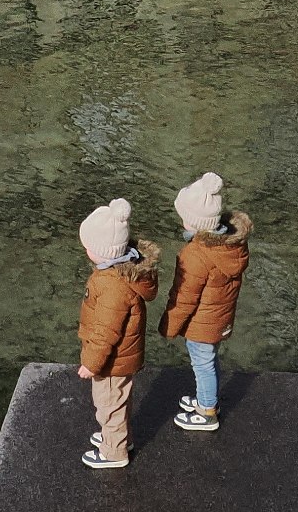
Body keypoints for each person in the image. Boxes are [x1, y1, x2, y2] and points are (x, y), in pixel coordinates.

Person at [161, 172, 250, 434]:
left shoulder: (195, 255)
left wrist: (169, 325)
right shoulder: (231, 247)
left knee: (202, 363)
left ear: (196, 223)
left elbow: (184, 297)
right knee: (209, 360)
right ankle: (206, 398)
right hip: (219, 319)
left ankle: (207, 411)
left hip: (202, 324)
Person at [75, 198, 159, 470]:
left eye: (88, 246)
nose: (86, 249)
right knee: (119, 399)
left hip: (113, 361)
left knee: (109, 403)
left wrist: (91, 363)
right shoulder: (119, 275)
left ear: (102, 252)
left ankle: (114, 452)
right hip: (123, 357)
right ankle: (121, 439)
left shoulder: (112, 287)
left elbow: (106, 332)